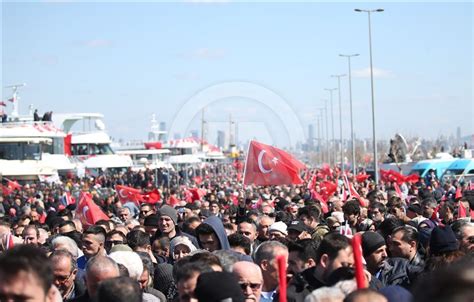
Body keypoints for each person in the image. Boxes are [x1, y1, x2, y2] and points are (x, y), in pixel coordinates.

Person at [286, 233, 354, 301]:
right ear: (324, 261)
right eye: (344, 265)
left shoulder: (350, 292)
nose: (349, 271)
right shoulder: (295, 295)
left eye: (352, 266)